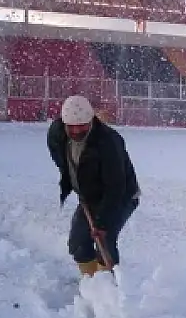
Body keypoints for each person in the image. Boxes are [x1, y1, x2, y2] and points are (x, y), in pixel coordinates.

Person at [46, 95, 141, 277]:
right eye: (71, 126)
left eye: (82, 125)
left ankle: (107, 289)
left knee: (104, 241)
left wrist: (102, 223)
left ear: (91, 120)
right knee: (78, 243)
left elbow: (115, 187)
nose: (76, 130)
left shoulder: (108, 142)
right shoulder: (57, 133)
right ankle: (90, 282)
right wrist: (75, 181)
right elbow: (60, 157)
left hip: (122, 196)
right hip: (90, 194)